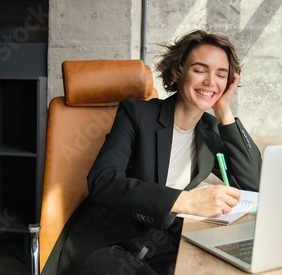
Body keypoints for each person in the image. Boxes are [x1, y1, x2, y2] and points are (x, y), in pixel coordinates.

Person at [46, 29, 262, 275]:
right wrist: (185, 200)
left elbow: (253, 184)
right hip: (110, 242)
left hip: (161, 241)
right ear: (178, 71)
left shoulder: (211, 132)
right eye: (200, 70)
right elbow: (102, 182)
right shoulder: (137, 114)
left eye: (221, 75)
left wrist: (224, 111)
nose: (210, 81)